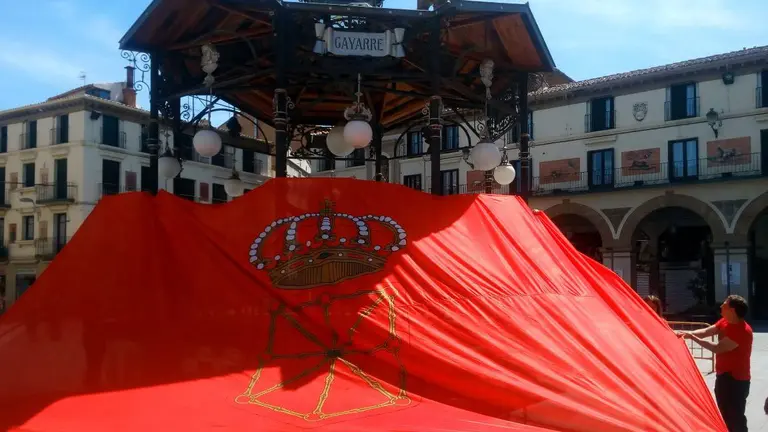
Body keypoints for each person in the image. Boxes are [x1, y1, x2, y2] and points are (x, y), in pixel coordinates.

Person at [678, 295, 753, 432]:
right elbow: (707, 331)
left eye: (724, 305)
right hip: (723, 376)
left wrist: (692, 337)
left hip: (736, 381)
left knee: (735, 417)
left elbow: (716, 348)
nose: (720, 307)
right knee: (724, 413)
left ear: (732, 310)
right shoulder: (725, 321)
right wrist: (688, 333)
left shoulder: (742, 331)